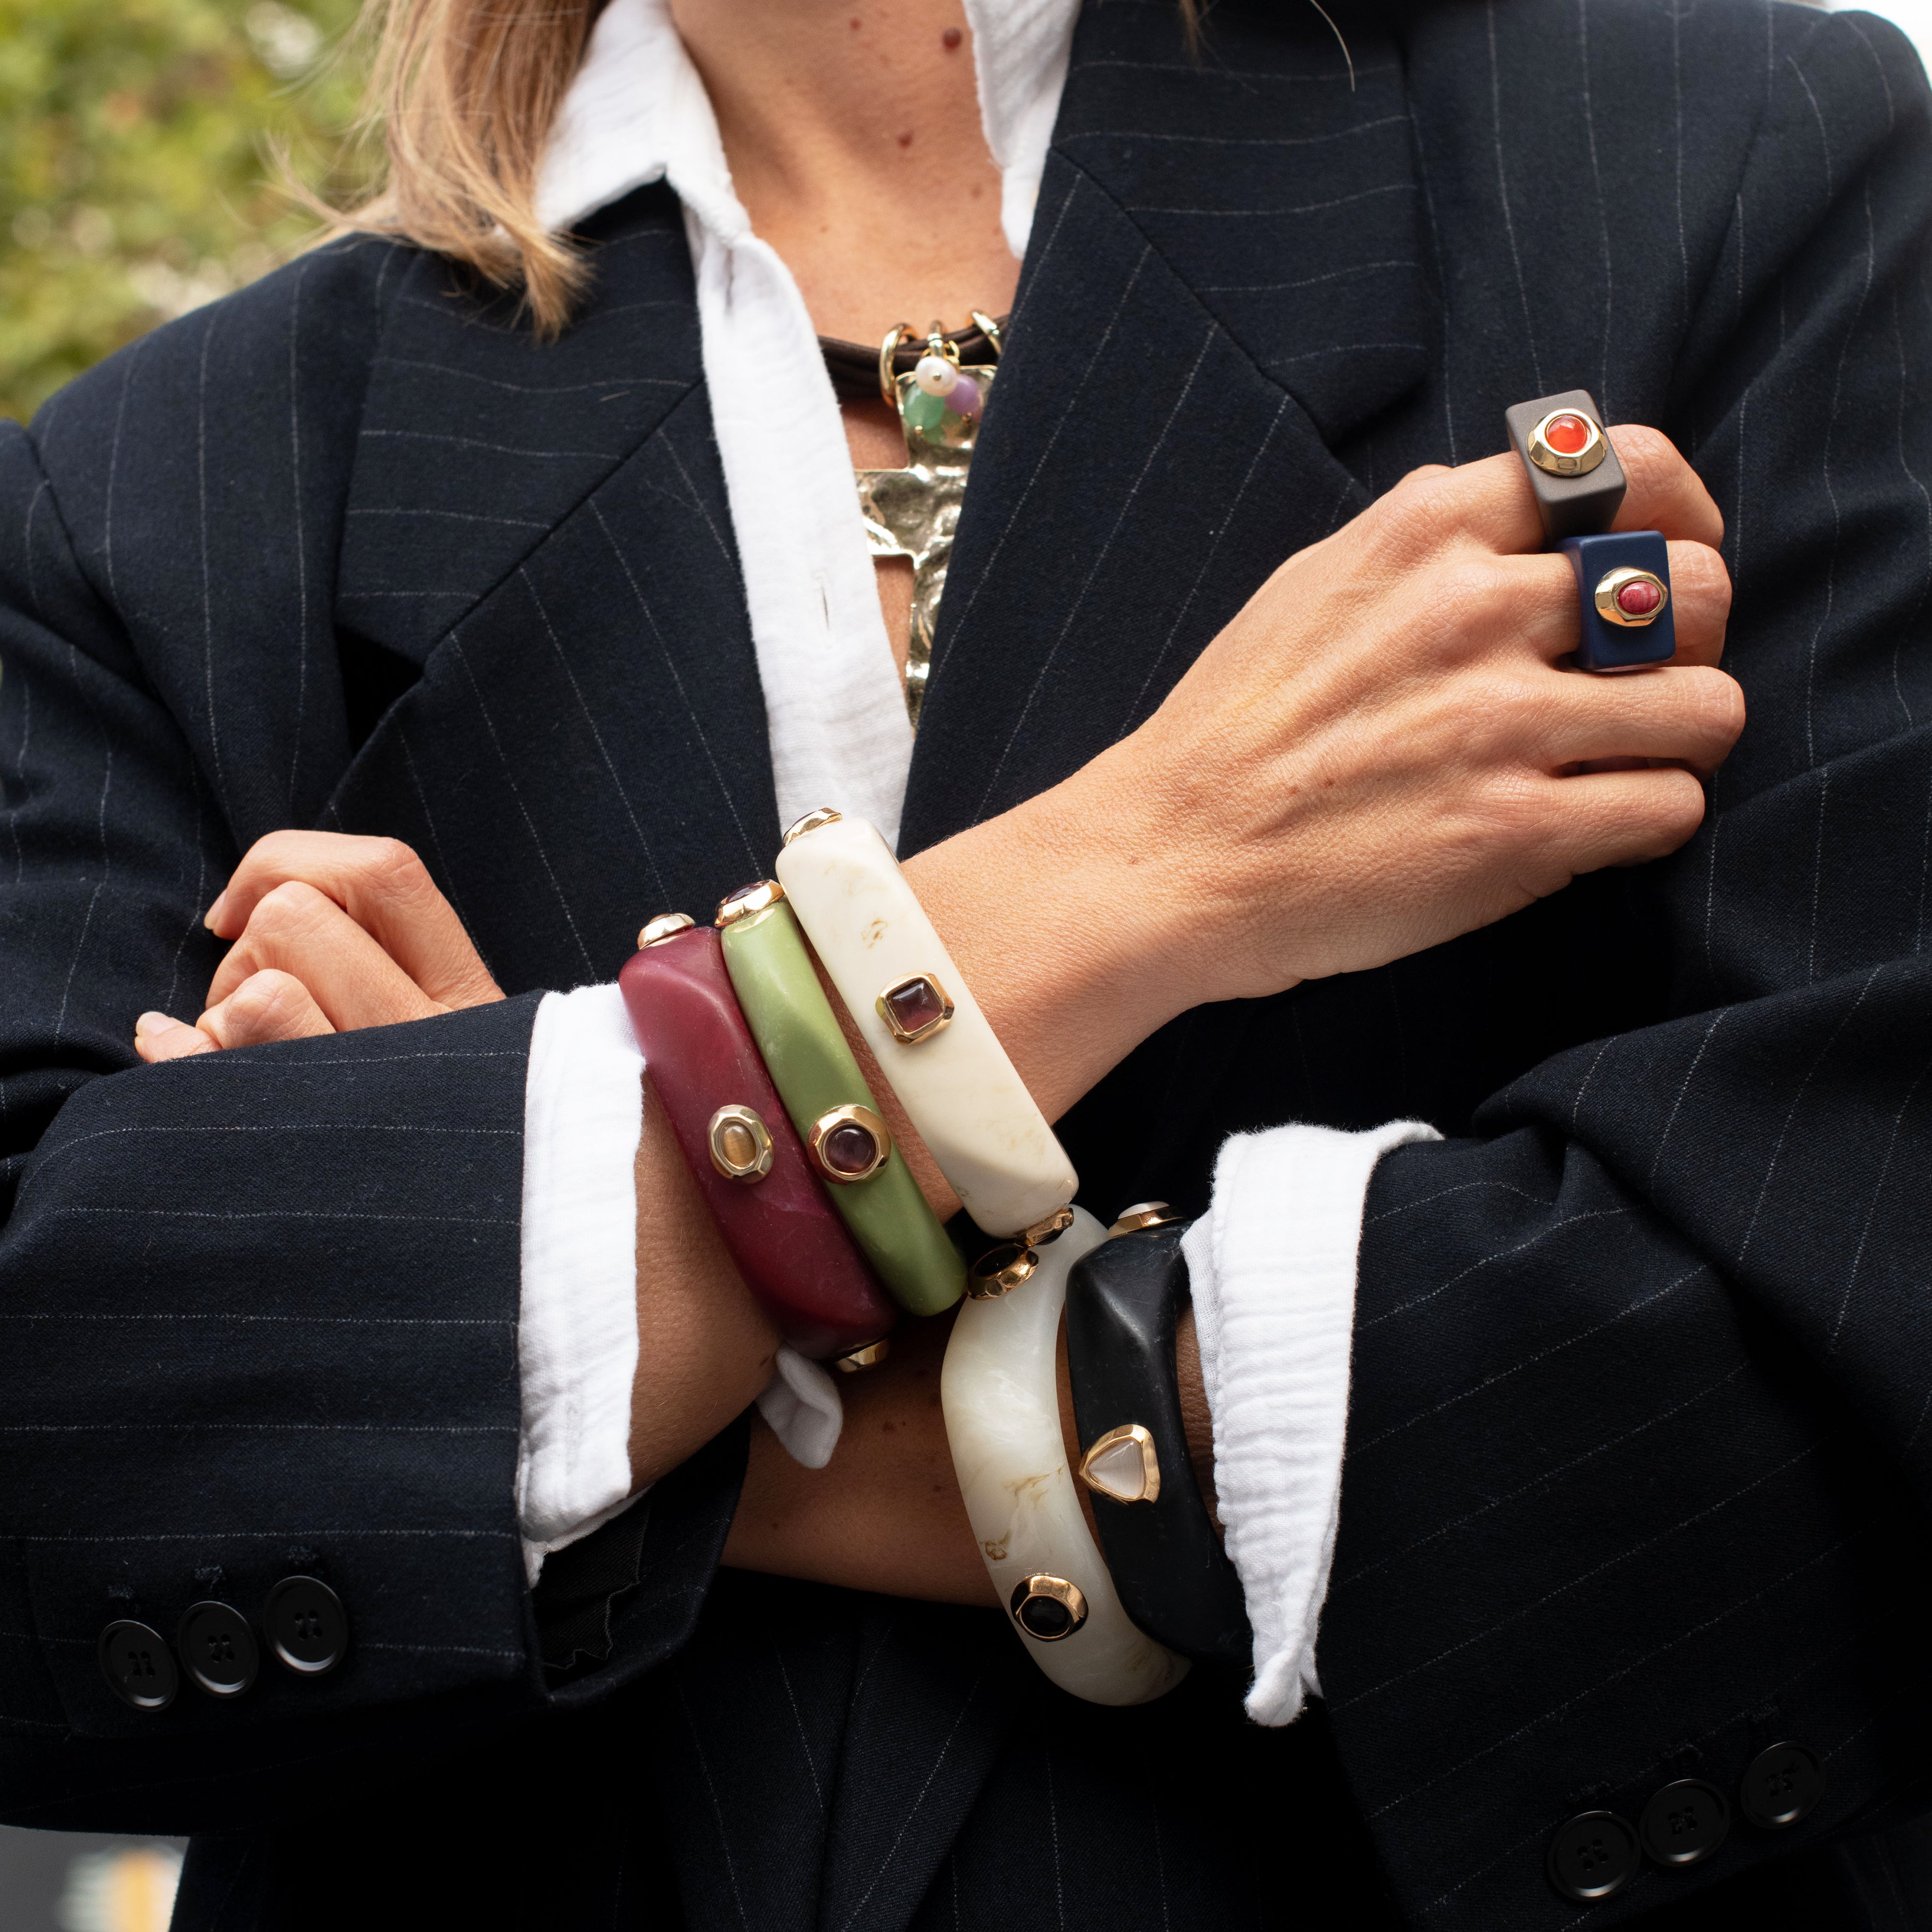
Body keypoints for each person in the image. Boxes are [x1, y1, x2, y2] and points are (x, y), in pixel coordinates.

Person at [1, 0, 1930, 1923]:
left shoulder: (1744, 168)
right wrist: (1145, 862)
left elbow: (1826, 1347)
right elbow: (56, 1499)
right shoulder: (141, 492)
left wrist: (544, 1287)